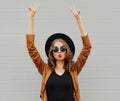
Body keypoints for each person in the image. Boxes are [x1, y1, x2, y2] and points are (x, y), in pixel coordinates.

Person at [26, 3, 92, 101]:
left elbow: (87, 47)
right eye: (55, 49)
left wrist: (79, 20)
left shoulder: (73, 69)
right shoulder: (45, 69)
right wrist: (31, 18)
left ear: (67, 51)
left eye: (63, 48)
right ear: (52, 52)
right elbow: (31, 48)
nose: (59, 51)